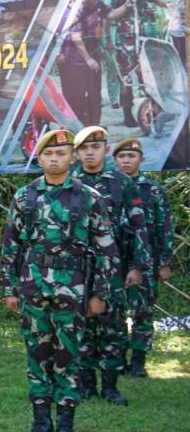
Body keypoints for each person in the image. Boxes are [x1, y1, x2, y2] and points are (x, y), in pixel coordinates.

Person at [0, 129, 115, 432]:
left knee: (68, 355)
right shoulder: (25, 196)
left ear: (72, 157)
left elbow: (105, 248)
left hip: (72, 290)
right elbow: (11, 247)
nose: (54, 159)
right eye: (48, 154)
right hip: (33, 287)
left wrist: (100, 294)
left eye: (61, 153)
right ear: (39, 158)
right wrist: (9, 289)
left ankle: (66, 426)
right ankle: (40, 425)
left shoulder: (89, 197)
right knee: (37, 355)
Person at [71, 126, 148, 406]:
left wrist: (137, 266)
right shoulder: (69, 182)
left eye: (95, 147)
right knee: (81, 325)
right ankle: (86, 384)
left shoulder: (122, 183)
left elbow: (139, 225)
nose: (90, 153)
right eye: (84, 148)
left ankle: (111, 387)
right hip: (77, 267)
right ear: (76, 154)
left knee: (112, 326)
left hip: (112, 266)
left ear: (105, 149)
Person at [112, 138, 174, 377]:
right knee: (114, 311)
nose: (126, 160)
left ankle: (138, 360)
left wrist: (164, 262)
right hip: (114, 259)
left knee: (143, 311)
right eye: (122, 156)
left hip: (145, 259)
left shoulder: (153, 190)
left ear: (141, 160)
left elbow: (164, 227)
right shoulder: (108, 187)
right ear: (115, 160)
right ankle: (116, 358)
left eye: (131, 156)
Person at [109, 0, 168, 126]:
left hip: (142, 41)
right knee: (126, 79)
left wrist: (168, 5)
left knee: (148, 76)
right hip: (125, 44)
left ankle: (153, 112)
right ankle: (127, 116)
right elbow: (111, 15)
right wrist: (126, 6)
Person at [59, 0, 109, 128]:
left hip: (91, 58)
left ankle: (93, 126)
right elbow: (75, 36)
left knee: (94, 96)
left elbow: (110, 15)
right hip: (73, 61)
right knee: (75, 98)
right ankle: (77, 128)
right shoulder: (71, 10)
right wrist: (88, 59)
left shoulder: (96, 7)